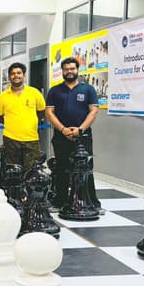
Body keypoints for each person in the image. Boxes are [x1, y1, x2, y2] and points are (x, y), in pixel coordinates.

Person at [45, 57, 103, 214]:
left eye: (72, 68)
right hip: (61, 137)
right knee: (61, 169)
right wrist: (63, 129)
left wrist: (80, 130)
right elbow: (49, 112)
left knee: (86, 169)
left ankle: (92, 203)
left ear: (77, 70)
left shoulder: (88, 89)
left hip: (83, 138)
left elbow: (93, 111)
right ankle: (60, 201)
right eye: (66, 69)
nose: (69, 71)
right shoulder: (55, 90)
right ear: (62, 71)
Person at [0, 62, 46, 171]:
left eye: (19, 73)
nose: (16, 75)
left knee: (31, 172)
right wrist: (12, 122)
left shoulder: (34, 93)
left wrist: (29, 122)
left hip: (31, 139)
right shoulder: (2, 97)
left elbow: (41, 111)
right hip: (10, 140)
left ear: (24, 75)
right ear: (9, 77)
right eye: (13, 73)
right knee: (12, 172)